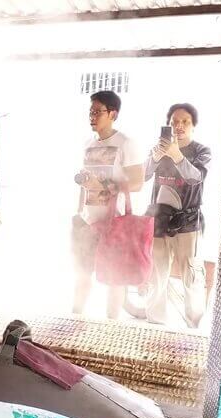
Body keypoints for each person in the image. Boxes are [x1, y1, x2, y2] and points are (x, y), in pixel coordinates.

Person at [126, 103, 210, 328]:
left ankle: (194, 325)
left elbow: (195, 178)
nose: (179, 126)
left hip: (188, 223)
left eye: (185, 122)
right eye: (174, 122)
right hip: (158, 220)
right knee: (156, 274)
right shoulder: (160, 150)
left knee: (192, 275)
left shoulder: (202, 151)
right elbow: (141, 177)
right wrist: (155, 157)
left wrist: (177, 156)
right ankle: (156, 321)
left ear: (193, 125)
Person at [72, 90, 144, 319]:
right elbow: (84, 183)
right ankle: (74, 318)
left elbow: (137, 182)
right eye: (90, 112)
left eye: (97, 112)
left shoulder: (126, 143)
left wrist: (104, 184)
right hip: (87, 218)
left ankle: (111, 325)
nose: (92, 116)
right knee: (82, 273)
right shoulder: (87, 144)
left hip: (115, 221)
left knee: (115, 277)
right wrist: (78, 212)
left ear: (113, 114)